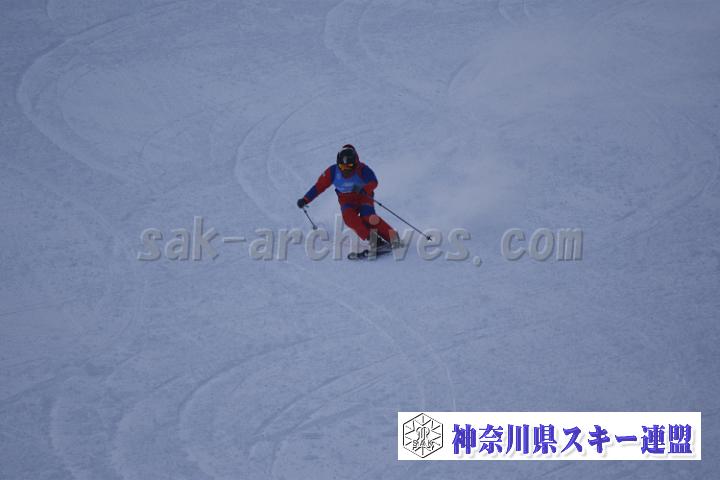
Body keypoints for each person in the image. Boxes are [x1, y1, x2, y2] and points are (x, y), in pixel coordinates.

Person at [297, 144, 399, 250]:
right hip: (346, 200)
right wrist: (305, 199)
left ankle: (393, 238)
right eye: (342, 166)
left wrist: (365, 189)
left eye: (349, 166)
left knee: (368, 217)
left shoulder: (362, 169)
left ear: (355, 163)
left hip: (363, 196)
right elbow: (319, 186)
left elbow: (373, 182)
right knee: (349, 218)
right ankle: (375, 241)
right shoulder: (332, 171)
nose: (345, 169)